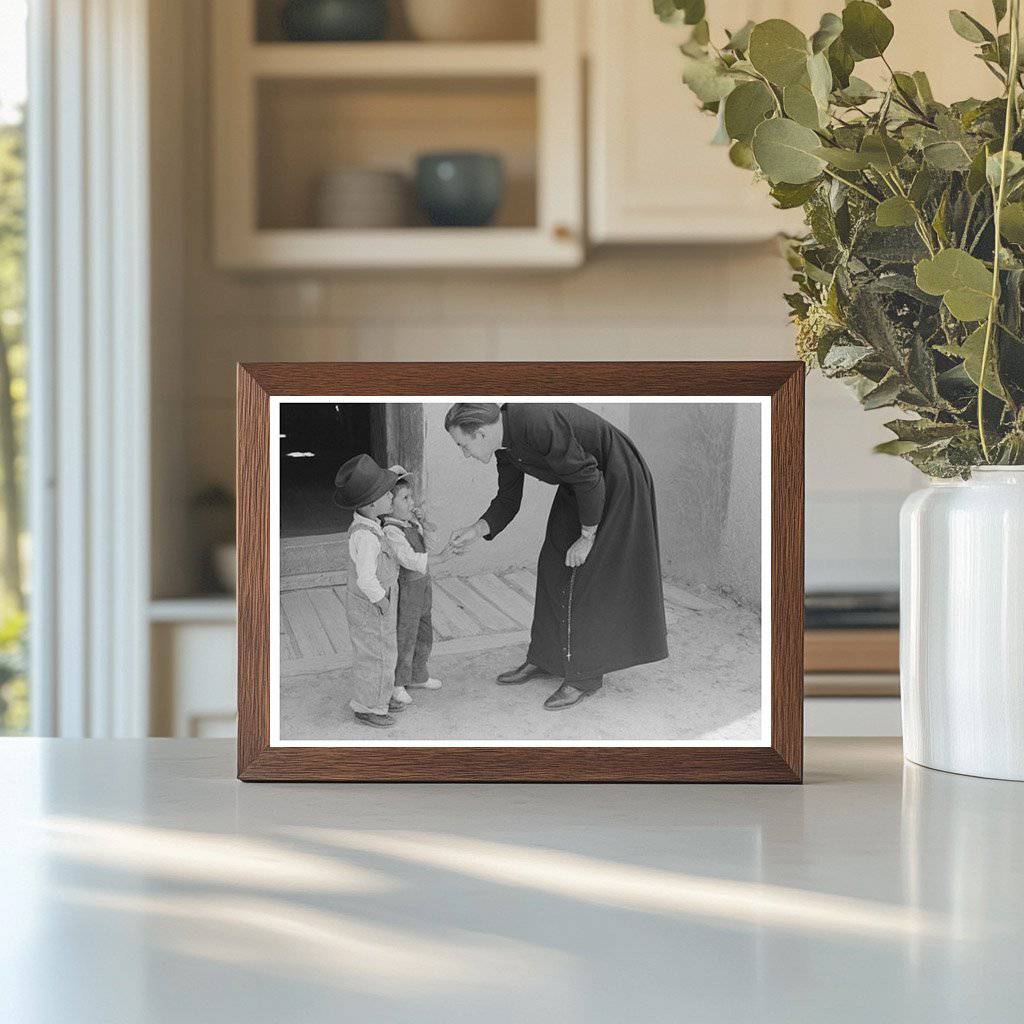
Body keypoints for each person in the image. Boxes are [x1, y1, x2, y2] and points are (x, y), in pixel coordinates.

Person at [447, 402, 668, 709]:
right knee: (553, 562)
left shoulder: (533, 419)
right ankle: (546, 658)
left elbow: (590, 475)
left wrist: (587, 537)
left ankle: (584, 677)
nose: (464, 453)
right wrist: (475, 529)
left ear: (481, 433)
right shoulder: (505, 447)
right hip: (581, 482)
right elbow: (508, 500)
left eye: (463, 445)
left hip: (615, 477)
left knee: (590, 576)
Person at [334, 453, 408, 729]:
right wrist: (384, 602)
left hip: (378, 604)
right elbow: (366, 579)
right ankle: (368, 707)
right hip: (372, 606)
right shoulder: (365, 537)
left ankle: (382, 696)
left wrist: (392, 473)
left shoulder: (369, 521)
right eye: (387, 492)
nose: (392, 496)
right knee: (374, 655)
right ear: (371, 503)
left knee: (386, 651)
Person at [379, 471, 452, 704]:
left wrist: (421, 520)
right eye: (405, 499)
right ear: (388, 506)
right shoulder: (391, 530)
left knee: (424, 630)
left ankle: (418, 674)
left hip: (423, 585)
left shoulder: (408, 522)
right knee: (405, 635)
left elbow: (431, 532)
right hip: (408, 589)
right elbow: (409, 559)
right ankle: (398, 683)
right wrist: (440, 558)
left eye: (412, 497)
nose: (412, 502)